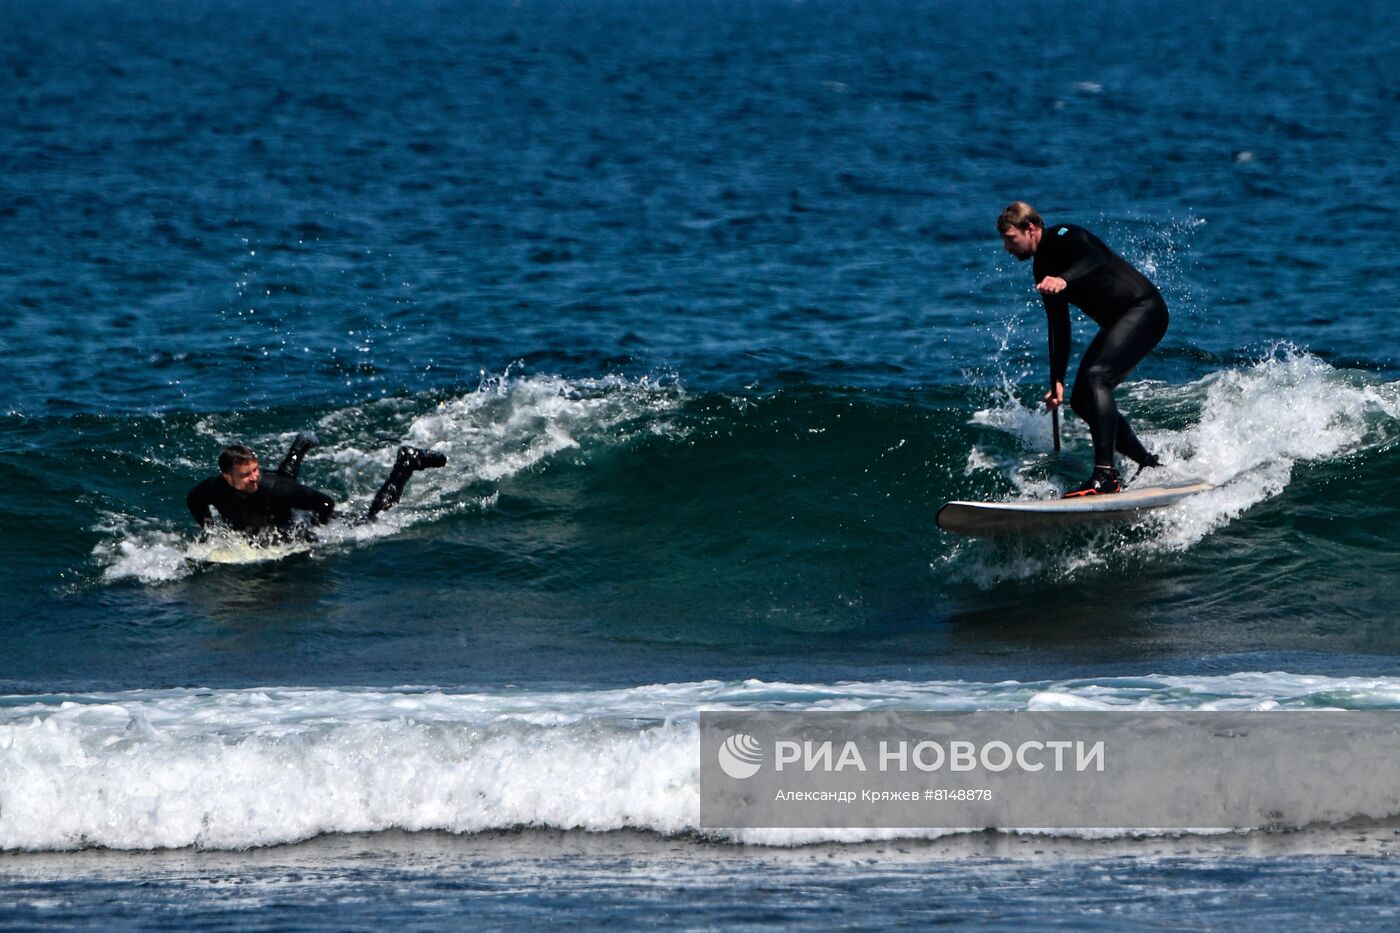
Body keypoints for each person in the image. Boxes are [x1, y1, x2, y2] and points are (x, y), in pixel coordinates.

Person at [997, 202, 1167, 496]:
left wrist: (1064, 279)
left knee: (1095, 377)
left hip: (1144, 309)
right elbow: (1058, 326)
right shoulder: (1041, 269)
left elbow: (1097, 257)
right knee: (1080, 400)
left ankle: (1105, 476)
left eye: (1010, 239)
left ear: (1031, 229)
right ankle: (1148, 465)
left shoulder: (1066, 236)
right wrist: (1057, 380)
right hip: (1120, 320)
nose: (1007, 247)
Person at [186, 434, 446, 538]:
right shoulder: (212, 487)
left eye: (256, 470)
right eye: (246, 474)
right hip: (276, 507)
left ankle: (407, 463)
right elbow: (193, 502)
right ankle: (300, 446)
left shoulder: (271, 487)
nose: (254, 477)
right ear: (227, 478)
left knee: (375, 519)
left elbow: (326, 502)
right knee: (281, 487)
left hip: (308, 517)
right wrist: (212, 530)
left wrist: (322, 530)